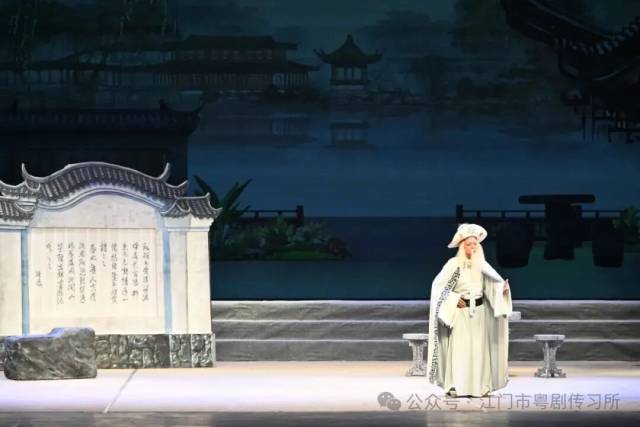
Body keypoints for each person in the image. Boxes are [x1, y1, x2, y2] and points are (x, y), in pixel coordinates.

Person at [426, 223, 512, 397]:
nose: (473, 247)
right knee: (461, 351)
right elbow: (439, 288)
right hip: (461, 314)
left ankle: (479, 387)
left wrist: (501, 290)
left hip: (479, 314)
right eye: (469, 244)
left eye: (475, 244)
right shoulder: (454, 265)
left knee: (479, 351)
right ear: (462, 246)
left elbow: (490, 286)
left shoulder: (481, 265)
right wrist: (453, 299)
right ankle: (457, 386)